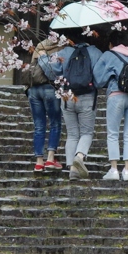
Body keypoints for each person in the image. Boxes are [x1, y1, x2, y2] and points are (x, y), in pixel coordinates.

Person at [36, 28, 103, 181]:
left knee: (72, 134)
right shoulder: (96, 53)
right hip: (87, 96)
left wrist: (42, 57)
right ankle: (79, 156)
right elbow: (99, 78)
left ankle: (72, 169)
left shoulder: (64, 52)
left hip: (67, 96)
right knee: (86, 132)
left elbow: (49, 69)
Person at [93, 30, 128, 182]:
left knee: (113, 133)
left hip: (117, 95)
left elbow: (98, 80)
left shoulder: (108, 55)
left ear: (111, 43)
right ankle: (127, 170)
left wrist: (111, 77)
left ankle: (113, 169)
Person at [26, 38, 64, 173]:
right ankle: (50, 158)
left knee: (39, 126)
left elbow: (31, 67)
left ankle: (38, 162)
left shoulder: (39, 47)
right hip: (49, 88)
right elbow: (57, 71)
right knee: (55, 123)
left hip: (34, 89)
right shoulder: (60, 47)